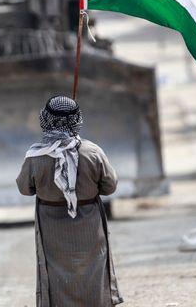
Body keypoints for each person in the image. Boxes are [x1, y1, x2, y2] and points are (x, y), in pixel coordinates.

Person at [16, 95, 123, 306]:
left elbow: (25, 188)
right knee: (93, 268)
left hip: (51, 226)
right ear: (77, 120)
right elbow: (109, 186)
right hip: (90, 222)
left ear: (45, 119)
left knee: (57, 272)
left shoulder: (35, 156)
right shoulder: (93, 152)